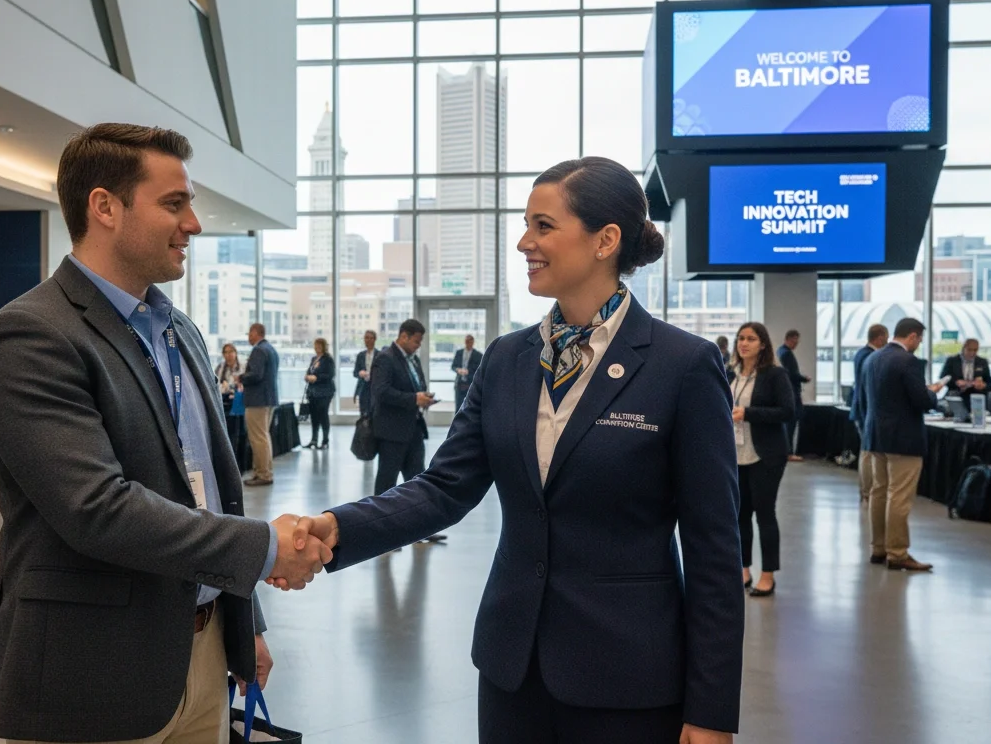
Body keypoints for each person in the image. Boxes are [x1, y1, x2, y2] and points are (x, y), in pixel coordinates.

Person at [279, 157, 743, 744]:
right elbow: (445, 486)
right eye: (526, 224)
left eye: (544, 226)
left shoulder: (682, 366)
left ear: (605, 240)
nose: (525, 241)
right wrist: (334, 528)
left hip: (627, 678)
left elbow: (714, 551)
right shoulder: (507, 359)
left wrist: (711, 712)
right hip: (512, 667)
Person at [0, 123, 330, 743]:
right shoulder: (31, 335)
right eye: (174, 203)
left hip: (206, 650)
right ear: (104, 206)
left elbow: (210, 492)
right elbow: (96, 508)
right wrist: (264, 548)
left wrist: (244, 623)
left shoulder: (178, 331)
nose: (192, 223)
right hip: (96, 672)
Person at [854, 318, 945, 572]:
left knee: (878, 492)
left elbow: (864, 397)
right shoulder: (908, 361)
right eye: (919, 339)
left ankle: (878, 548)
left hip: (875, 435)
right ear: (913, 336)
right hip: (904, 438)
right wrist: (933, 392)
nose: (918, 344)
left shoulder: (872, 359)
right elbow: (921, 400)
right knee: (899, 496)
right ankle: (897, 552)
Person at [730, 321, 795, 598]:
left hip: (766, 454)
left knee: (764, 514)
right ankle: (743, 570)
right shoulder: (730, 373)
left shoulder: (774, 375)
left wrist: (748, 413)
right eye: (741, 338)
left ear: (763, 344)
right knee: (740, 515)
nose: (744, 343)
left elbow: (788, 411)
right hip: (735, 454)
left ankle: (767, 575)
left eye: (751, 339)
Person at [370, 319, 436, 497]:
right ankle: (379, 520)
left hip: (413, 429)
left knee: (417, 479)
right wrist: (414, 399)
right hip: (392, 432)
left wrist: (423, 397)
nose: (418, 345)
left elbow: (416, 386)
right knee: (387, 481)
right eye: (416, 341)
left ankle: (414, 517)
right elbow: (381, 391)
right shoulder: (385, 358)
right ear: (403, 336)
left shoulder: (412, 360)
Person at [848, 324, 889, 503]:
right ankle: (867, 490)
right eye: (886, 338)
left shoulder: (860, 354)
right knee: (867, 453)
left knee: (866, 452)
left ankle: (866, 490)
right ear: (880, 338)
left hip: (861, 409)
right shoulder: (871, 356)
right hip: (866, 410)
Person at [240, 323, 279, 486]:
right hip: (268, 399)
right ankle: (262, 471)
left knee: (258, 438)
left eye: (250, 333)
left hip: (257, 400)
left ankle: (263, 474)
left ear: (257, 333)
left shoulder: (258, 350)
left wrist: (241, 377)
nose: (249, 336)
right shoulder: (271, 349)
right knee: (263, 437)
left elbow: (256, 375)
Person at [776, 329, 810, 461]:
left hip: (787, 393)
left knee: (787, 424)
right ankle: (789, 452)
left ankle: (787, 451)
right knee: (791, 423)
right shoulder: (787, 354)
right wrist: (804, 378)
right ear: (790, 339)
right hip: (792, 393)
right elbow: (792, 374)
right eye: (796, 340)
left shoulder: (780, 351)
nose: (797, 343)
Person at [939, 338, 991, 407]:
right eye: (969, 350)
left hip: (976, 396)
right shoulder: (952, 361)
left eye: (975, 350)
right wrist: (956, 382)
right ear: (963, 348)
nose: (972, 353)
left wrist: (983, 385)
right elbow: (943, 378)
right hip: (957, 395)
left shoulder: (982, 362)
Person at [304, 337, 335, 449]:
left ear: (324, 346)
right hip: (313, 392)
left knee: (323, 415)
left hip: (324, 392)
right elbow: (309, 371)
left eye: (319, 345)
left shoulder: (328, 359)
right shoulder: (314, 359)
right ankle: (314, 440)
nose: (317, 348)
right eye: (315, 345)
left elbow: (330, 375)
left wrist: (316, 378)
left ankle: (325, 441)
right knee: (314, 416)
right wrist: (307, 376)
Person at [216, 342, 244, 456]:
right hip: (224, 402)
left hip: (239, 402)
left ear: (235, 353)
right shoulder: (220, 368)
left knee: (239, 432)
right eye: (226, 352)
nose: (228, 355)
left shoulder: (242, 366)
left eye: (231, 352)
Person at [451, 334, 483, 406]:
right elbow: (453, 366)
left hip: (470, 385)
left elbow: (479, 370)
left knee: (470, 406)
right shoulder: (459, 353)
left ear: (473, 342)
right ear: (465, 342)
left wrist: (468, 371)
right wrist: (458, 370)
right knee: (458, 407)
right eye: (467, 341)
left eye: (470, 342)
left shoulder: (478, 355)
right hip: (459, 385)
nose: (468, 343)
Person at [353, 329, 378, 415]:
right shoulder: (360, 355)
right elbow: (355, 372)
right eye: (366, 338)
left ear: (375, 339)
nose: (368, 340)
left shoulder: (380, 355)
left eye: (371, 338)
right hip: (363, 388)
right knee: (363, 415)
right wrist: (360, 373)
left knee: (375, 414)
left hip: (375, 388)